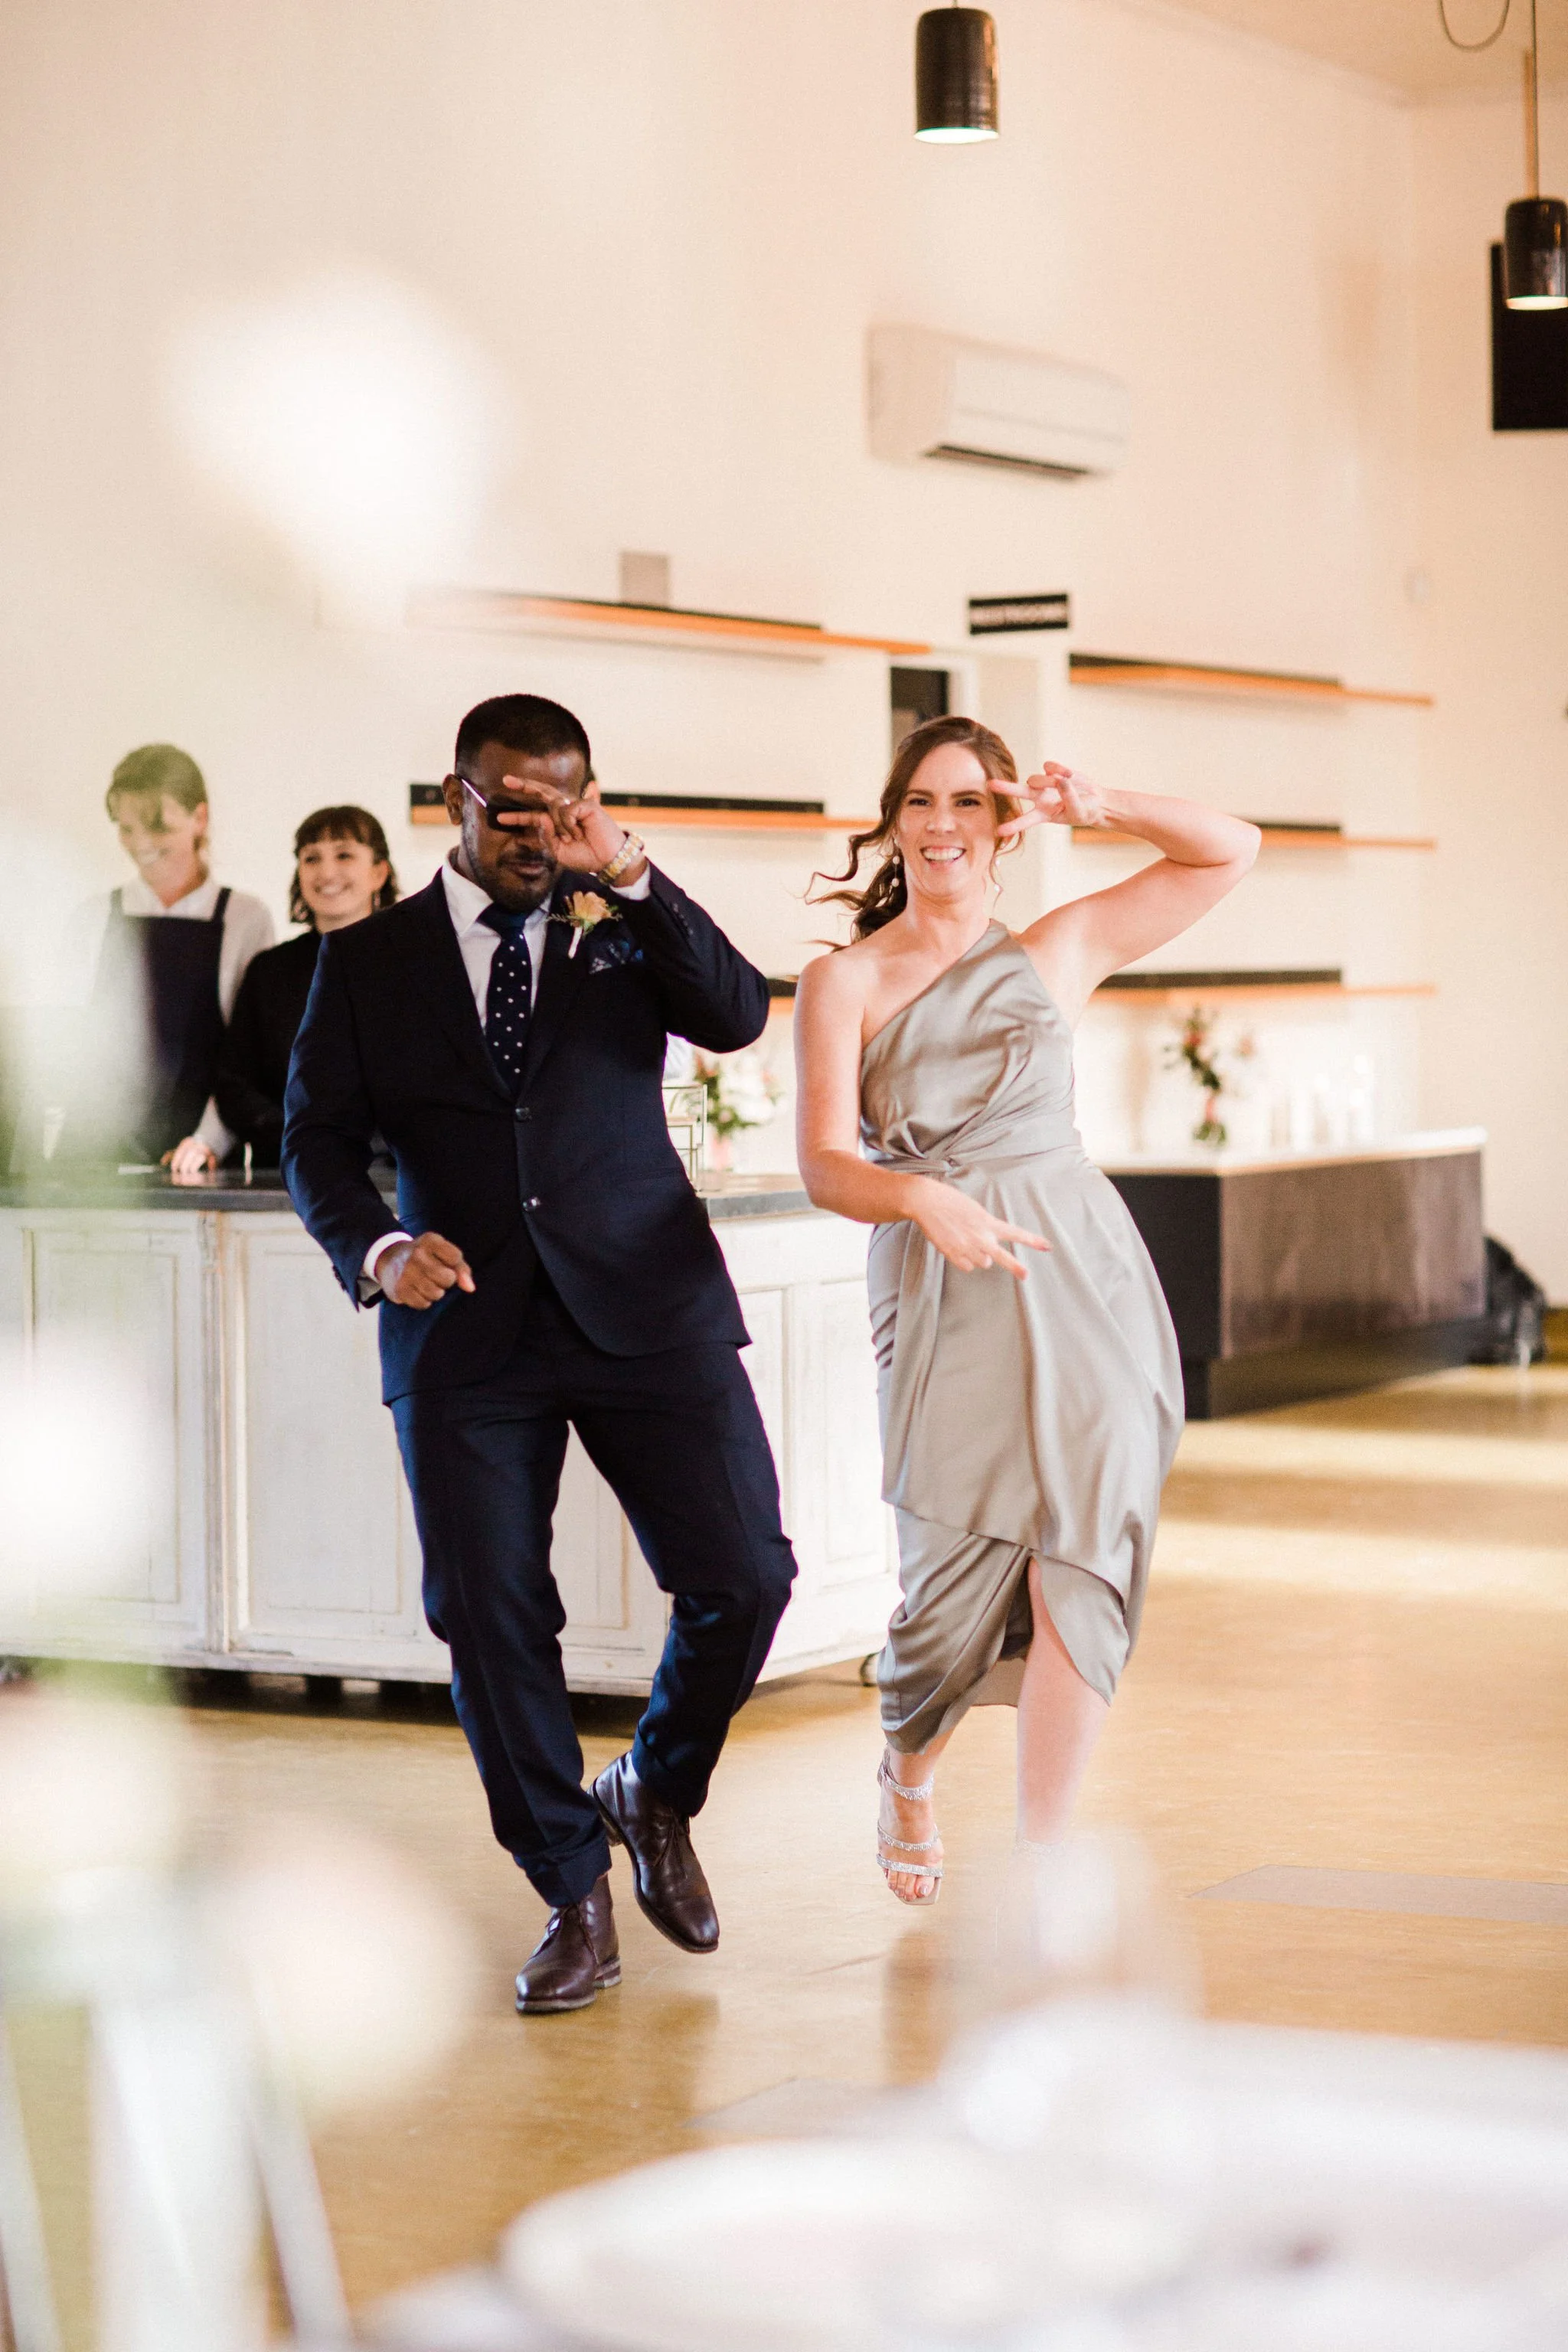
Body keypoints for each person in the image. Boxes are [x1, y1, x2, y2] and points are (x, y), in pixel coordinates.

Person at [282, 693, 798, 2013]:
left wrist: (623, 867)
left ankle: (653, 1785)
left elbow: (738, 1012)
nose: (537, 832)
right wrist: (378, 1249)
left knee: (745, 1574)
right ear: (456, 798)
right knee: (490, 1612)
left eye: (564, 806)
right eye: (514, 808)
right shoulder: (369, 960)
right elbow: (314, 1142)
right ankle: (571, 1890)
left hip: (649, 1304)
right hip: (465, 1324)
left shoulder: (619, 921)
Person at [793, 716, 1259, 1903]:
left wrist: (1104, 806)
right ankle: (907, 1768)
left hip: (1081, 1275)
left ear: (1004, 825)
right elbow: (826, 1168)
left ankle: (1044, 1866)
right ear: (895, 823)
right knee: (949, 1589)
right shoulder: (844, 981)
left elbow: (1232, 848)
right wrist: (920, 1198)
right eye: (921, 802)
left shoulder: (1061, 948)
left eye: (968, 802)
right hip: (939, 1289)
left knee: (1082, 1565)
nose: (942, 824)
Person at [55, 744, 273, 1173]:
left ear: (199, 818)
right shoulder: (92, 917)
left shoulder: (245, 918)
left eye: (158, 827)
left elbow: (249, 1057)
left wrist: (207, 1140)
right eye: (127, 828)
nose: (141, 844)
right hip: (94, 1156)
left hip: (197, 1159)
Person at [215, 806, 398, 1166]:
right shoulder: (268, 971)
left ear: (379, 872)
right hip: (286, 1172)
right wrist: (301, 1134)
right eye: (312, 858)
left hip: (391, 1179)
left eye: (344, 855)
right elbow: (234, 1085)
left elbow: (437, 1083)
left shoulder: (416, 966)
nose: (327, 872)